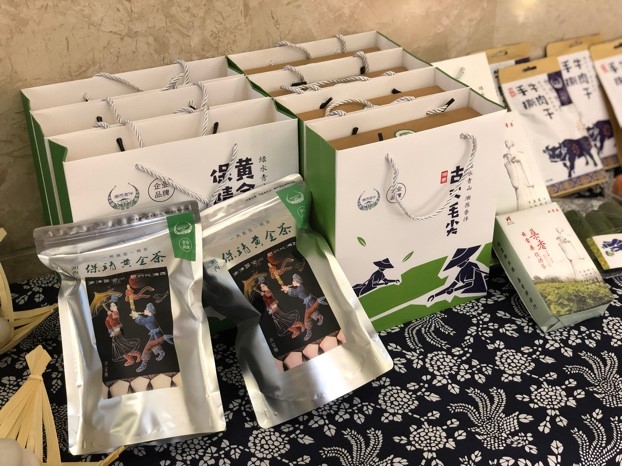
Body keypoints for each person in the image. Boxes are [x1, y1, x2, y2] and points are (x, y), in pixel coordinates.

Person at [281, 274, 326, 341]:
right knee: (307, 317)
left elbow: (295, 293)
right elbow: (295, 292)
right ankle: (312, 327)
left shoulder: (301, 287)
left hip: (311, 302)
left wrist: (288, 289)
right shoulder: (299, 288)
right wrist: (288, 290)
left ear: (297, 282)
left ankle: (318, 318)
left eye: (293, 281)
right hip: (308, 302)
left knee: (307, 317)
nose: (292, 282)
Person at [131, 302, 173, 373]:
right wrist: (136, 315)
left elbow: (144, 321)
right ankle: (161, 352)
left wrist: (137, 315)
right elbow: (143, 322)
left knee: (147, 348)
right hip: (154, 335)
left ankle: (144, 364)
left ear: (149, 311)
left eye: (146, 309)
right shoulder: (150, 317)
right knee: (152, 346)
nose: (144, 310)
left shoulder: (151, 318)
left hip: (158, 336)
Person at [105, 295, 142, 367]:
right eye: (111, 306)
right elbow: (109, 321)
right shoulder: (112, 313)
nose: (111, 307)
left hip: (117, 332)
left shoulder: (115, 313)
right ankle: (131, 359)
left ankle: (135, 355)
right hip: (114, 332)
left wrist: (114, 333)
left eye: (113, 305)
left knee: (122, 348)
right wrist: (110, 314)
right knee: (121, 348)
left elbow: (115, 321)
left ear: (116, 306)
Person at [503, 140, 537, 211]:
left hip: (523, 173)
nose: (506, 144)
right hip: (516, 175)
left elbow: (525, 163)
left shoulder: (520, 153)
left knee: (529, 191)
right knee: (520, 192)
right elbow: (507, 165)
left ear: (512, 142)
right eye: (506, 143)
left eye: (507, 142)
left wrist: (520, 160)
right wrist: (510, 161)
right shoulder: (506, 155)